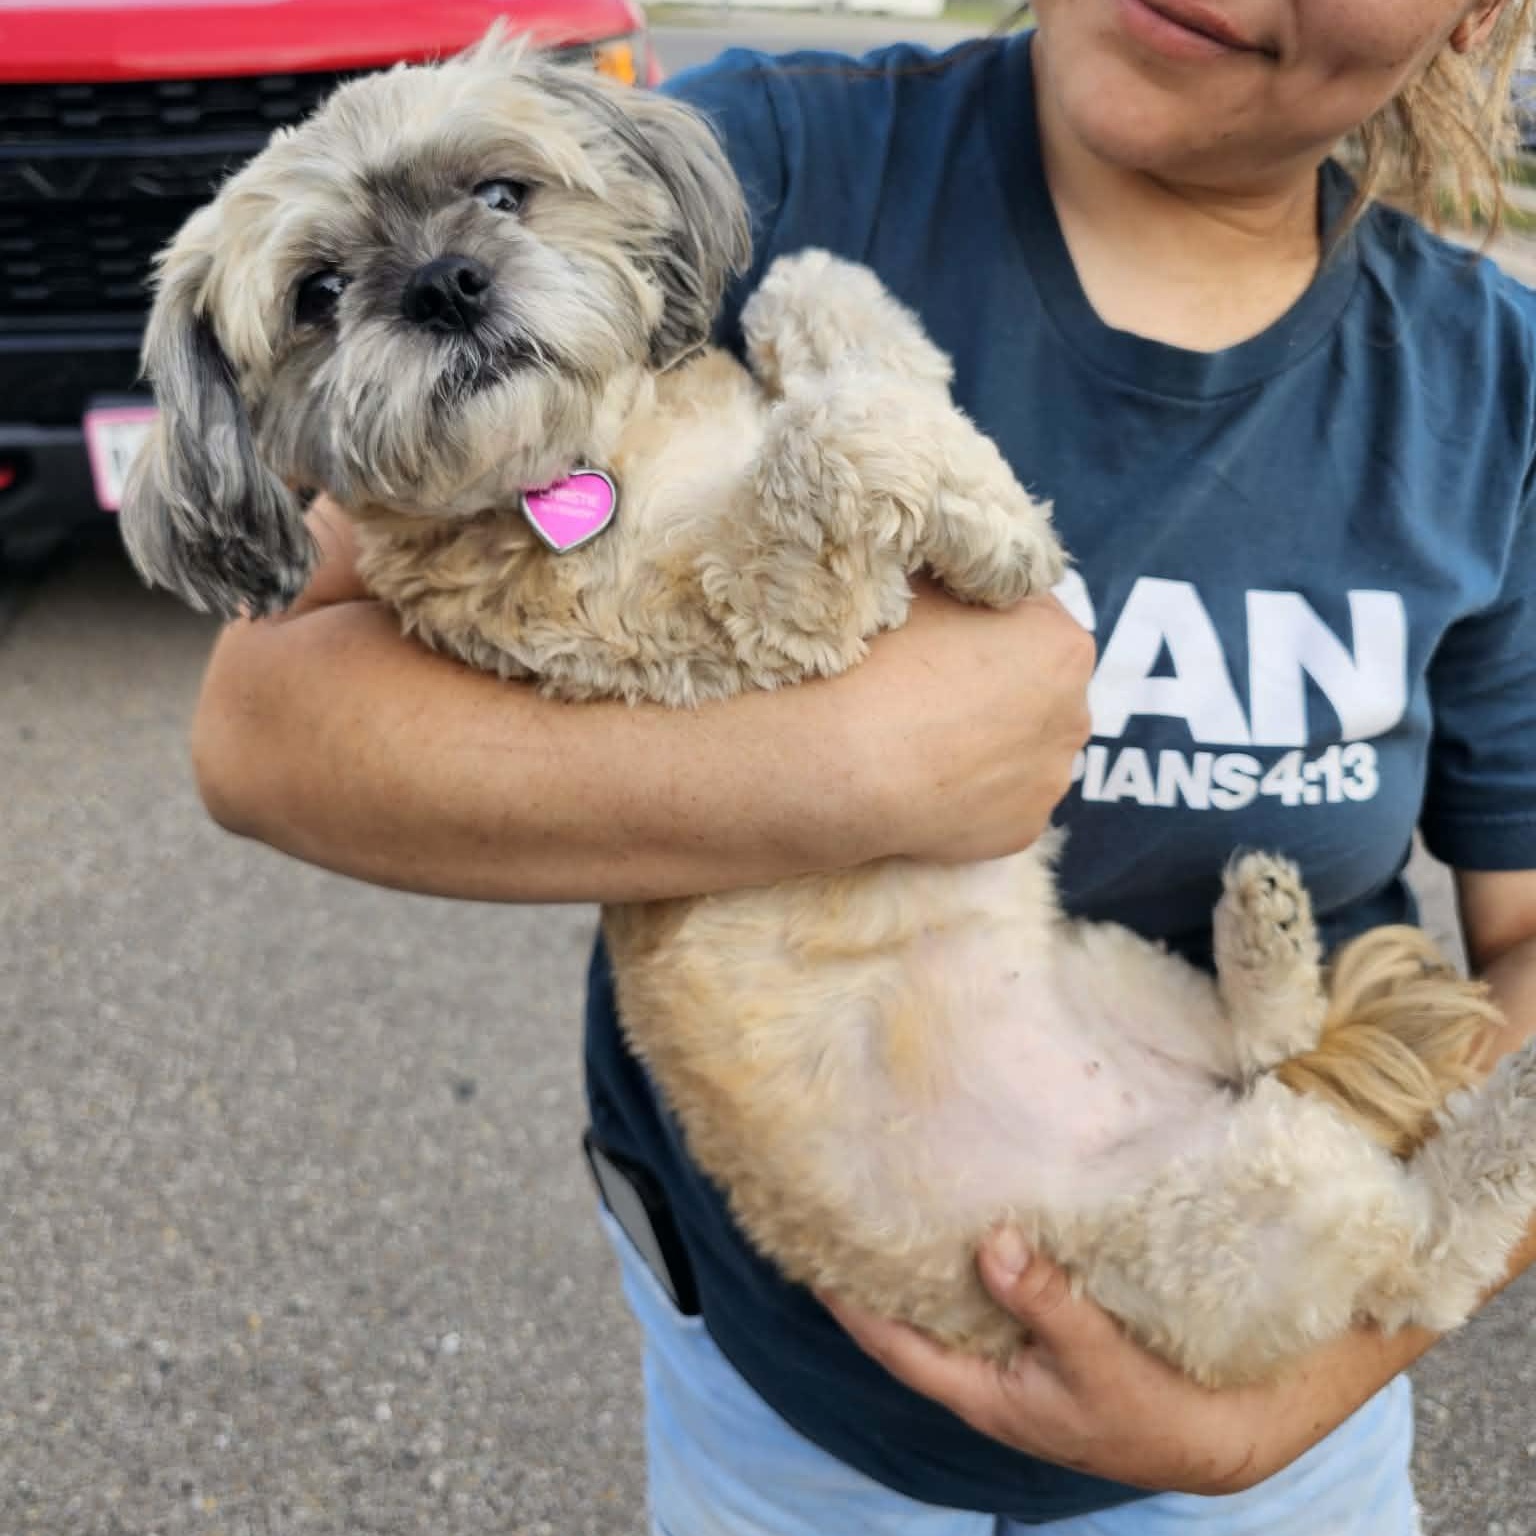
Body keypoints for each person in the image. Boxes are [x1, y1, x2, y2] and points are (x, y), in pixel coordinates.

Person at [190, 0, 1536, 1529]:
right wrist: (845, 769)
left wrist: (1299, 1399)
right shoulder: (776, 168)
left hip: (1279, 1376)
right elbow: (258, 726)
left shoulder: (1491, 390)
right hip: (786, 1404)